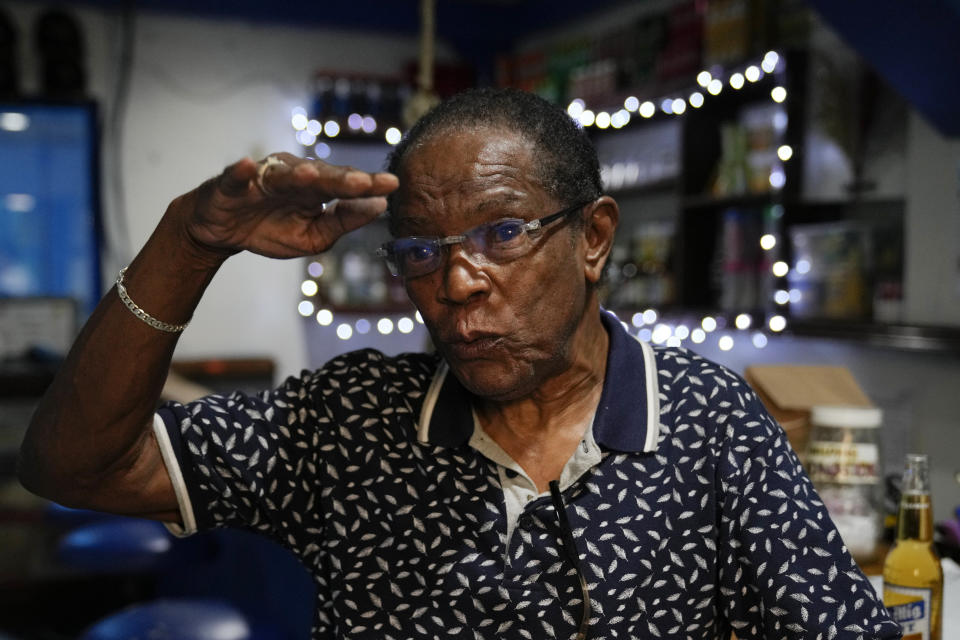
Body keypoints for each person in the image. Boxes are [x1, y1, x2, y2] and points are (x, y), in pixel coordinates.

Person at [18, 88, 900, 640]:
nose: (460, 282)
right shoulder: (353, 421)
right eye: (422, 253)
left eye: (504, 233)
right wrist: (189, 243)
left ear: (593, 238)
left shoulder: (709, 421)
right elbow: (72, 464)